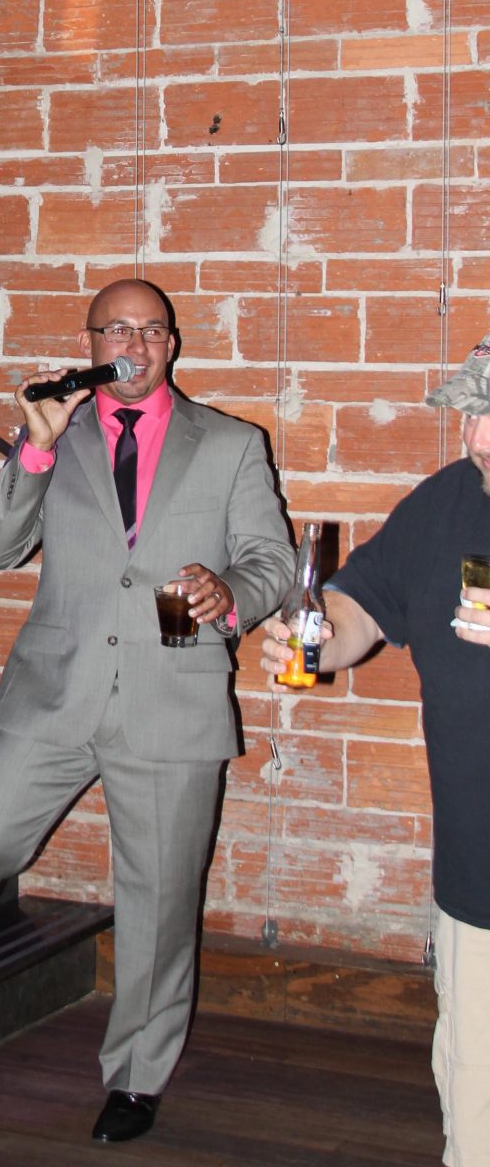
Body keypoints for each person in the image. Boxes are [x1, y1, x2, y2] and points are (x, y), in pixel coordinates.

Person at [0, 278, 294, 1145]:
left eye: (151, 330)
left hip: (172, 699)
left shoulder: (231, 444)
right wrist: (33, 452)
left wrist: (230, 591)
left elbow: (272, 560)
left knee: (158, 902)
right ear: (90, 344)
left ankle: (137, 1076)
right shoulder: (57, 432)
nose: (135, 343)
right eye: (117, 329)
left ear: (172, 345)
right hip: (55, 692)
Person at [261, 331, 490, 1167]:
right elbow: (364, 603)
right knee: (477, 1099)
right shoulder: (445, 502)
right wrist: (318, 634)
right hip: (478, 873)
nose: (479, 437)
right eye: (474, 411)